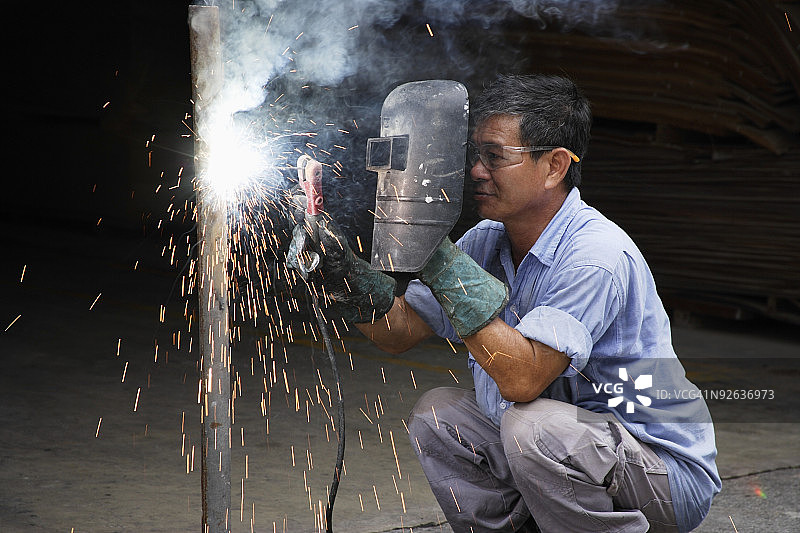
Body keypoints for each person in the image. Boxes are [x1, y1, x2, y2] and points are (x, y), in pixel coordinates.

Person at [306, 74, 720, 533]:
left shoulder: (596, 256)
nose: (477, 171)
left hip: (661, 475)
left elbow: (523, 378)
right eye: (475, 155)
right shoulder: (487, 240)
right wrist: (340, 271)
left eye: (495, 157)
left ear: (554, 166)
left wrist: (435, 255)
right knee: (439, 415)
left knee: (533, 426)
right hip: (570, 451)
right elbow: (399, 332)